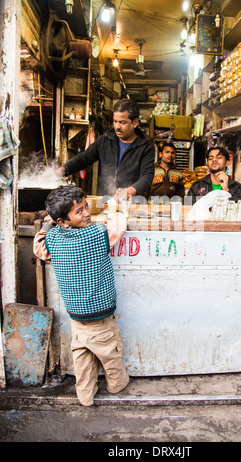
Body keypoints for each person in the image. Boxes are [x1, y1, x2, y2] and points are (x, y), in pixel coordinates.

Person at [33, 185, 129, 406]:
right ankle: (117, 384)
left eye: (86, 207)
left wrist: (48, 223)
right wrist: (117, 209)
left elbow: (38, 248)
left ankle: (85, 395)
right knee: (110, 352)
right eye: (79, 211)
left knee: (82, 355)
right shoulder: (97, 234)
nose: (86, 213)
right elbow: (118, 225)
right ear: (63, 221)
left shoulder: (54, 238)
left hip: (75, 315)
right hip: (101, 315)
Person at [56, 99, 155, 200]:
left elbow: (147, 175)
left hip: (132, 204)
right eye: (115, 121)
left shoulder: (146, 147)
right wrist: (61, 170)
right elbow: (83, 158)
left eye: (122, 123)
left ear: (135, 123)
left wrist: (130, 191)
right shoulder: (105, 140)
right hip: (106, 202)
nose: (117, 126)